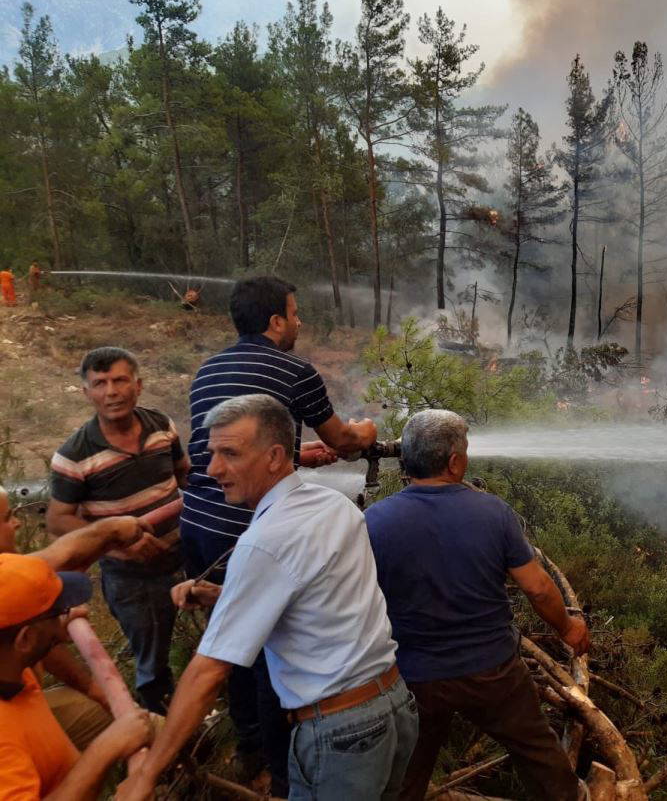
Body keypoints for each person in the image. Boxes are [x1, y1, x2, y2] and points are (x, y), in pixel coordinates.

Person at [116, 394, 417, 801]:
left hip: (342, 734)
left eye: (230, 453)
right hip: (394, 707)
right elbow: (315, 599)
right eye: (211, 453)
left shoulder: (264, 544)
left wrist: (146, 775)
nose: (214, 468)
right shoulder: (334, 506)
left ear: (276, 455)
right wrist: (222, 594)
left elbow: (208, 672)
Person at [179, 275, 375, 792]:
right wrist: (366, 432)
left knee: (232, 639)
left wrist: (296, 455)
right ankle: (281, 769)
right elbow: (344, 440)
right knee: (271, 650)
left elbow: (218, 452)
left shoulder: (206, 370)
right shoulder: (293, 369)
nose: (299, 322)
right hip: (247, 526)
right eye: (295, 313)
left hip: (198, 520)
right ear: (275, 321)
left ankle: (246, 746)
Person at [365, 410, 591, 801]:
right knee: (537, 753)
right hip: (492, 671)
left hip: (413, 676)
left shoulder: (374, 521)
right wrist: (569, 628)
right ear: (454, 462)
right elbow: (537, 588)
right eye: (465, 450)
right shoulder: (493, 512)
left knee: (405, 776)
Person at [46, 347, 189, 716]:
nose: (111, 391)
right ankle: (161, 733)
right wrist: (115, 545)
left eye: (120, 380)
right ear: (87, 393)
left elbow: (183, 472)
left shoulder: (161, 425)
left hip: (186, 556)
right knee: (153, 665)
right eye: (100, 383)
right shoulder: (74, 455)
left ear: (138, 385)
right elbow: (59, 520)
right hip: (132, 578)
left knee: (209, 636)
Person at [1, 484, 155, 752]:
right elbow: (57, 557)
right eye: (5, 518)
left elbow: (25, 634)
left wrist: (93, 689)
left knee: (128, 722)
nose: (16, 523)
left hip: (26, 699)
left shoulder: (12, 604)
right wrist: (107, 530)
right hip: (14, 725)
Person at [0, 553, 154, 800]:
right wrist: (105, 750)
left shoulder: (12, 668)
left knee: (154, 726)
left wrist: (53, 626)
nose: (69, 614)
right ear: (25, 639)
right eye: (57, 611)